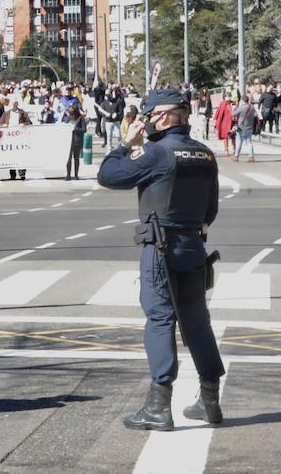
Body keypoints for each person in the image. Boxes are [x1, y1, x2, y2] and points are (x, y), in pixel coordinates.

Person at [97, 89, 225, 431]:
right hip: (193, 246)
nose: (147, 122)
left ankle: (158, 406)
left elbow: (109, 175)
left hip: (160, 248)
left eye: (150, 116)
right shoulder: (205, 154)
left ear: (165, 116)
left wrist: (126, 144)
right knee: (197, 322)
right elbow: (211, 210)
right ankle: (210, 401)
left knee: (160, 319)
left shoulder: (156, 153)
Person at [0, 101, 34, 180]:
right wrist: (4, 125)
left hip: (20, 137)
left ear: (17, 104)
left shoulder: (22, 112)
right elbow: (0, 123)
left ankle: (22, 174)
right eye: (12, 104)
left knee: (21, 156)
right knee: (11, 156)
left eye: (15, 103)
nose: (14, 105)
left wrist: (24, 124)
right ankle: (13, 174)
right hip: (9, 138)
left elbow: (29, 122)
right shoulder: (6, 113)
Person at [65, 105, 87, 180]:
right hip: (69, 140)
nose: (72, 115)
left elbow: (84, 129)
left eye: (73, 113)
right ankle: (68, 175)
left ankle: (76, 175)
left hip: (77, 140)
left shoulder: (81, 118)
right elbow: (65, 125)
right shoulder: (69, 118)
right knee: (68, 158)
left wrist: (75, 129)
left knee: (76, 158)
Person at [232, 98, 257, 163]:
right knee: (249, 142)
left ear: (242, 100)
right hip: (250, 128)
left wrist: (233, 108)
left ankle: (236, 156)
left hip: (242, 128)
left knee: (239, 142)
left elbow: (233, 114)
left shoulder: (241, 107)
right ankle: (251, 157)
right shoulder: (252, 107)